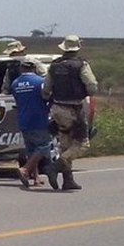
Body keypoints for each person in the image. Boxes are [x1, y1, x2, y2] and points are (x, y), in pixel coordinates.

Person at [42, 34, 98, 190]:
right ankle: (54, 167)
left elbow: (46, 89)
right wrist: (86, 93)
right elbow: (92, 85)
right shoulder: (81, 65)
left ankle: (68, 180)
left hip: (57, 109)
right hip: (74, 109)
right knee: (82, 144)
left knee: (65, 144)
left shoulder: (54, 66)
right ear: (77, 48)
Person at [11, 58, 55, 189]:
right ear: (34, 68)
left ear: (21, 69)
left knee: (31, 150)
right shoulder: (40, 82)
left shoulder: (15, 83)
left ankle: (36, 178)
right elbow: (47, 96)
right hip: (38, 118)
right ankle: (25, 169)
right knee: (44, 146)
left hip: (23, 119)